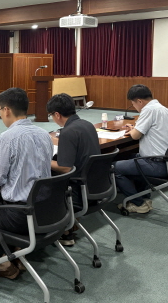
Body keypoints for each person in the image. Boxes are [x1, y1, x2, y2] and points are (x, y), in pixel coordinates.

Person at [0, 88, 53, 280]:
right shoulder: (44, 134)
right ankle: (19, 253)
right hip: (47, 210)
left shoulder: (8, 138)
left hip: (20, 215)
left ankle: (3, 264)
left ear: (6, 110)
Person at [114, 84, 168, 214]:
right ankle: (145, 198)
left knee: (114, 168)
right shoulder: (165, 110)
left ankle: (138, 203)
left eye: (133, 104)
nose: (135, 107)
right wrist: (135, 128)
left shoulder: (148, 110)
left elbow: (136, 136)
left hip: (157, 164)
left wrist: (133, 130)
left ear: (139, 101)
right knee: (129, 157)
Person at [47, 93, 100, 246]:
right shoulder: (87, 124)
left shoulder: (68, 132)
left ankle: (65, 231)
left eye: (51, 115)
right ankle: (70, 223)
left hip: (78, 191)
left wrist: (44, 161)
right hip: (96, 184)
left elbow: (65, 168)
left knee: (44, 183)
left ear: (57, 114)